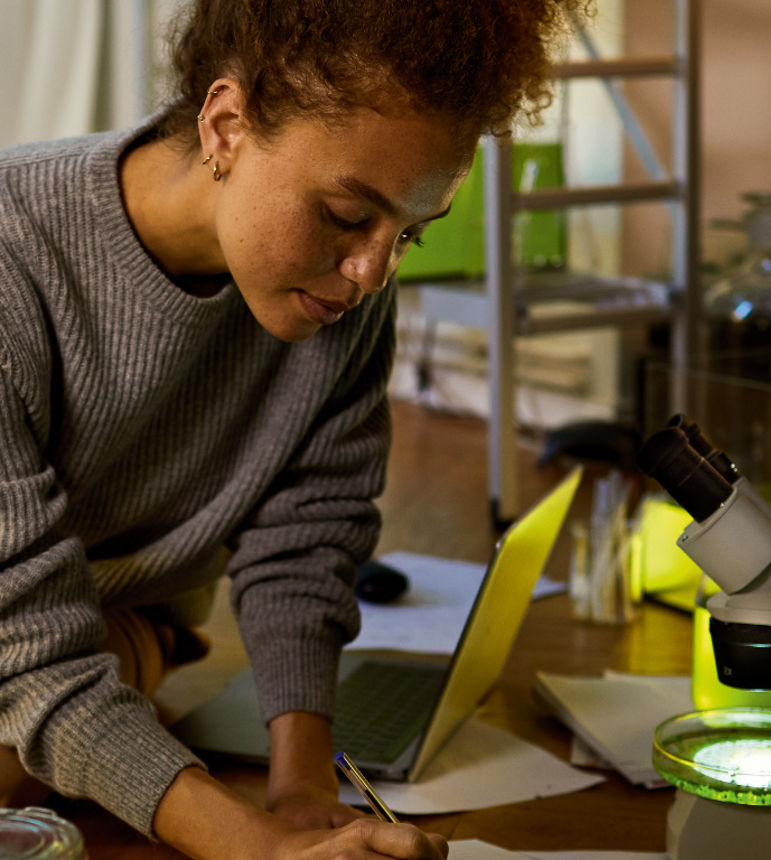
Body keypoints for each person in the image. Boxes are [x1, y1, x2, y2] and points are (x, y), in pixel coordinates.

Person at [0, 1, 588, 857]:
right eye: (348, 217)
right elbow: (25, 639)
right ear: (227, 125)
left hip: (103, 621)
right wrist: (255, 848)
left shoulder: (339, 299)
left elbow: (307, 539)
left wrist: (303, 793)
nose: (370, 273)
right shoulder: (14, 257)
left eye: (408, 237)